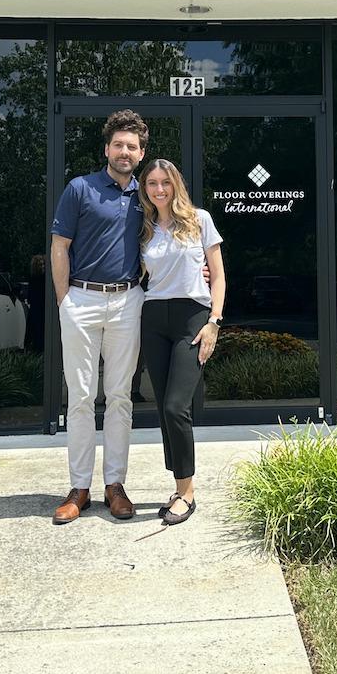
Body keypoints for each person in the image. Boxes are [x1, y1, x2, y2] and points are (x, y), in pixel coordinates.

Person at [49, 110, 148, 525]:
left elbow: (174, 239)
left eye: (132, 146)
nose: (125, 152)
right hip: (82, 299)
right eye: (118, 145)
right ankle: (79, 488)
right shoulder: (80, 188)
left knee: (121, 396)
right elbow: (59, 246)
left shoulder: (149, 194)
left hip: (128, 301)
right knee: (81, 397)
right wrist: (64, 301)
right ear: (106, 149)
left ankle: (115, 485)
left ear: (141, 154)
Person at [137, 158, 226, 526]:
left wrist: (214, 322)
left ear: (176, 185)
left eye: (165, 182)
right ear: (145, 189)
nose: (159, 189)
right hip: (154, 317)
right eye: (152, 183)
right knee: (163, 407)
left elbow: (218, 276)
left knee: (177, 406)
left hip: (192, 316)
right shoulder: (143, 228)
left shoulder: (199, 220)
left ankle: (187, 493)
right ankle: (178, 486)